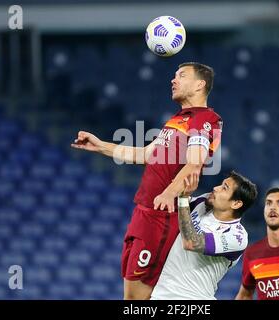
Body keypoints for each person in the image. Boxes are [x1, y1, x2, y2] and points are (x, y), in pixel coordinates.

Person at [71, 62, 223, 300]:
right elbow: (145, 154)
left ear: (199, 84)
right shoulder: (177, 120)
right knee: (133, 296)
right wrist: (101, 146)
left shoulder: (206, 119)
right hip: (144, 212)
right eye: (174, 76)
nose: (173, 80)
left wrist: (169, 193)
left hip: (161, 216)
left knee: (137, 298)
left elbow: (194, 163)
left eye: (181, 76)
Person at [151, 171, 258, 300]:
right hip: (161, 294)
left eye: (224, 188)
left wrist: (184, 198)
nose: (215, 188)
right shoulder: (204, 202)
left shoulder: (237, 236)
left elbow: (191, 242)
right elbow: (174, 202)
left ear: (236, 203)